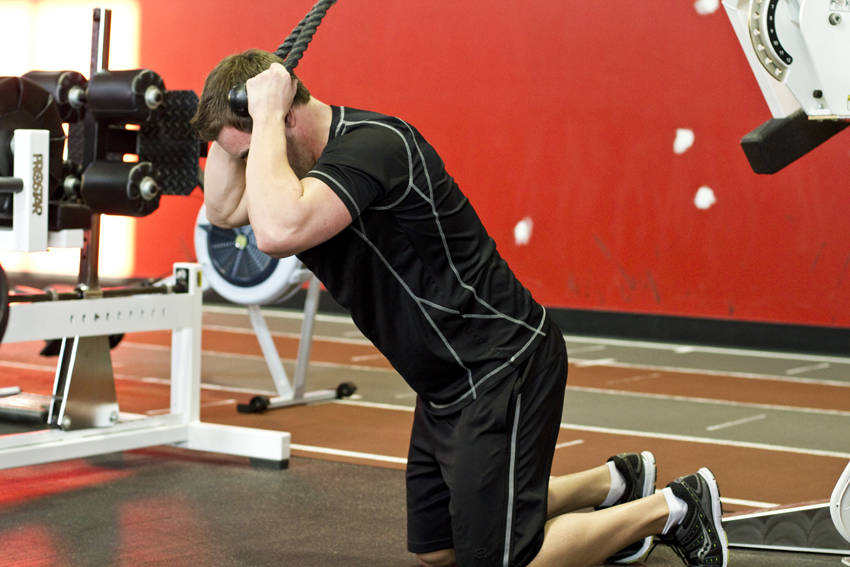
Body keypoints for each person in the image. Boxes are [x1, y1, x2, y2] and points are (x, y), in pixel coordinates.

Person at [190, 48, 729, 567]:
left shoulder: (374, 145)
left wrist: (260, 114)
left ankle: (675, 509)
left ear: (283, 119)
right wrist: (243, 117)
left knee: (499, 561)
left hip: (501, 365)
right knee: (438, 551)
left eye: (250, 151)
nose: (248, 168)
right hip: (445, 383)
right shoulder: (290, 168)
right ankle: (615, 482)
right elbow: (222, 208)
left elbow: (278, 229)